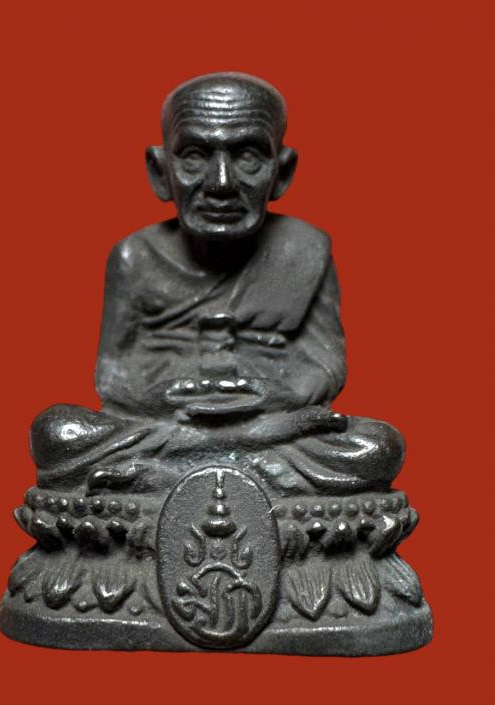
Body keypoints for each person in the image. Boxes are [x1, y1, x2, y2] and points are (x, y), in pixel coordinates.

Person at [30, 72, 404, 496]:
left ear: (281, 172)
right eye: (194, 156)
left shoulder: (305, 250)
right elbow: (113, 373)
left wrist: (271, 396)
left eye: (247, 157)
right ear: (160, 171)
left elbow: (327, 364)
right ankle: (244, 468)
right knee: (58, 432)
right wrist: (170, 396)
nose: (221, 183)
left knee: (377, 446)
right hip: (173, 423)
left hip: (270, 421)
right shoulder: (135, 256)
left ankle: (165, 475)